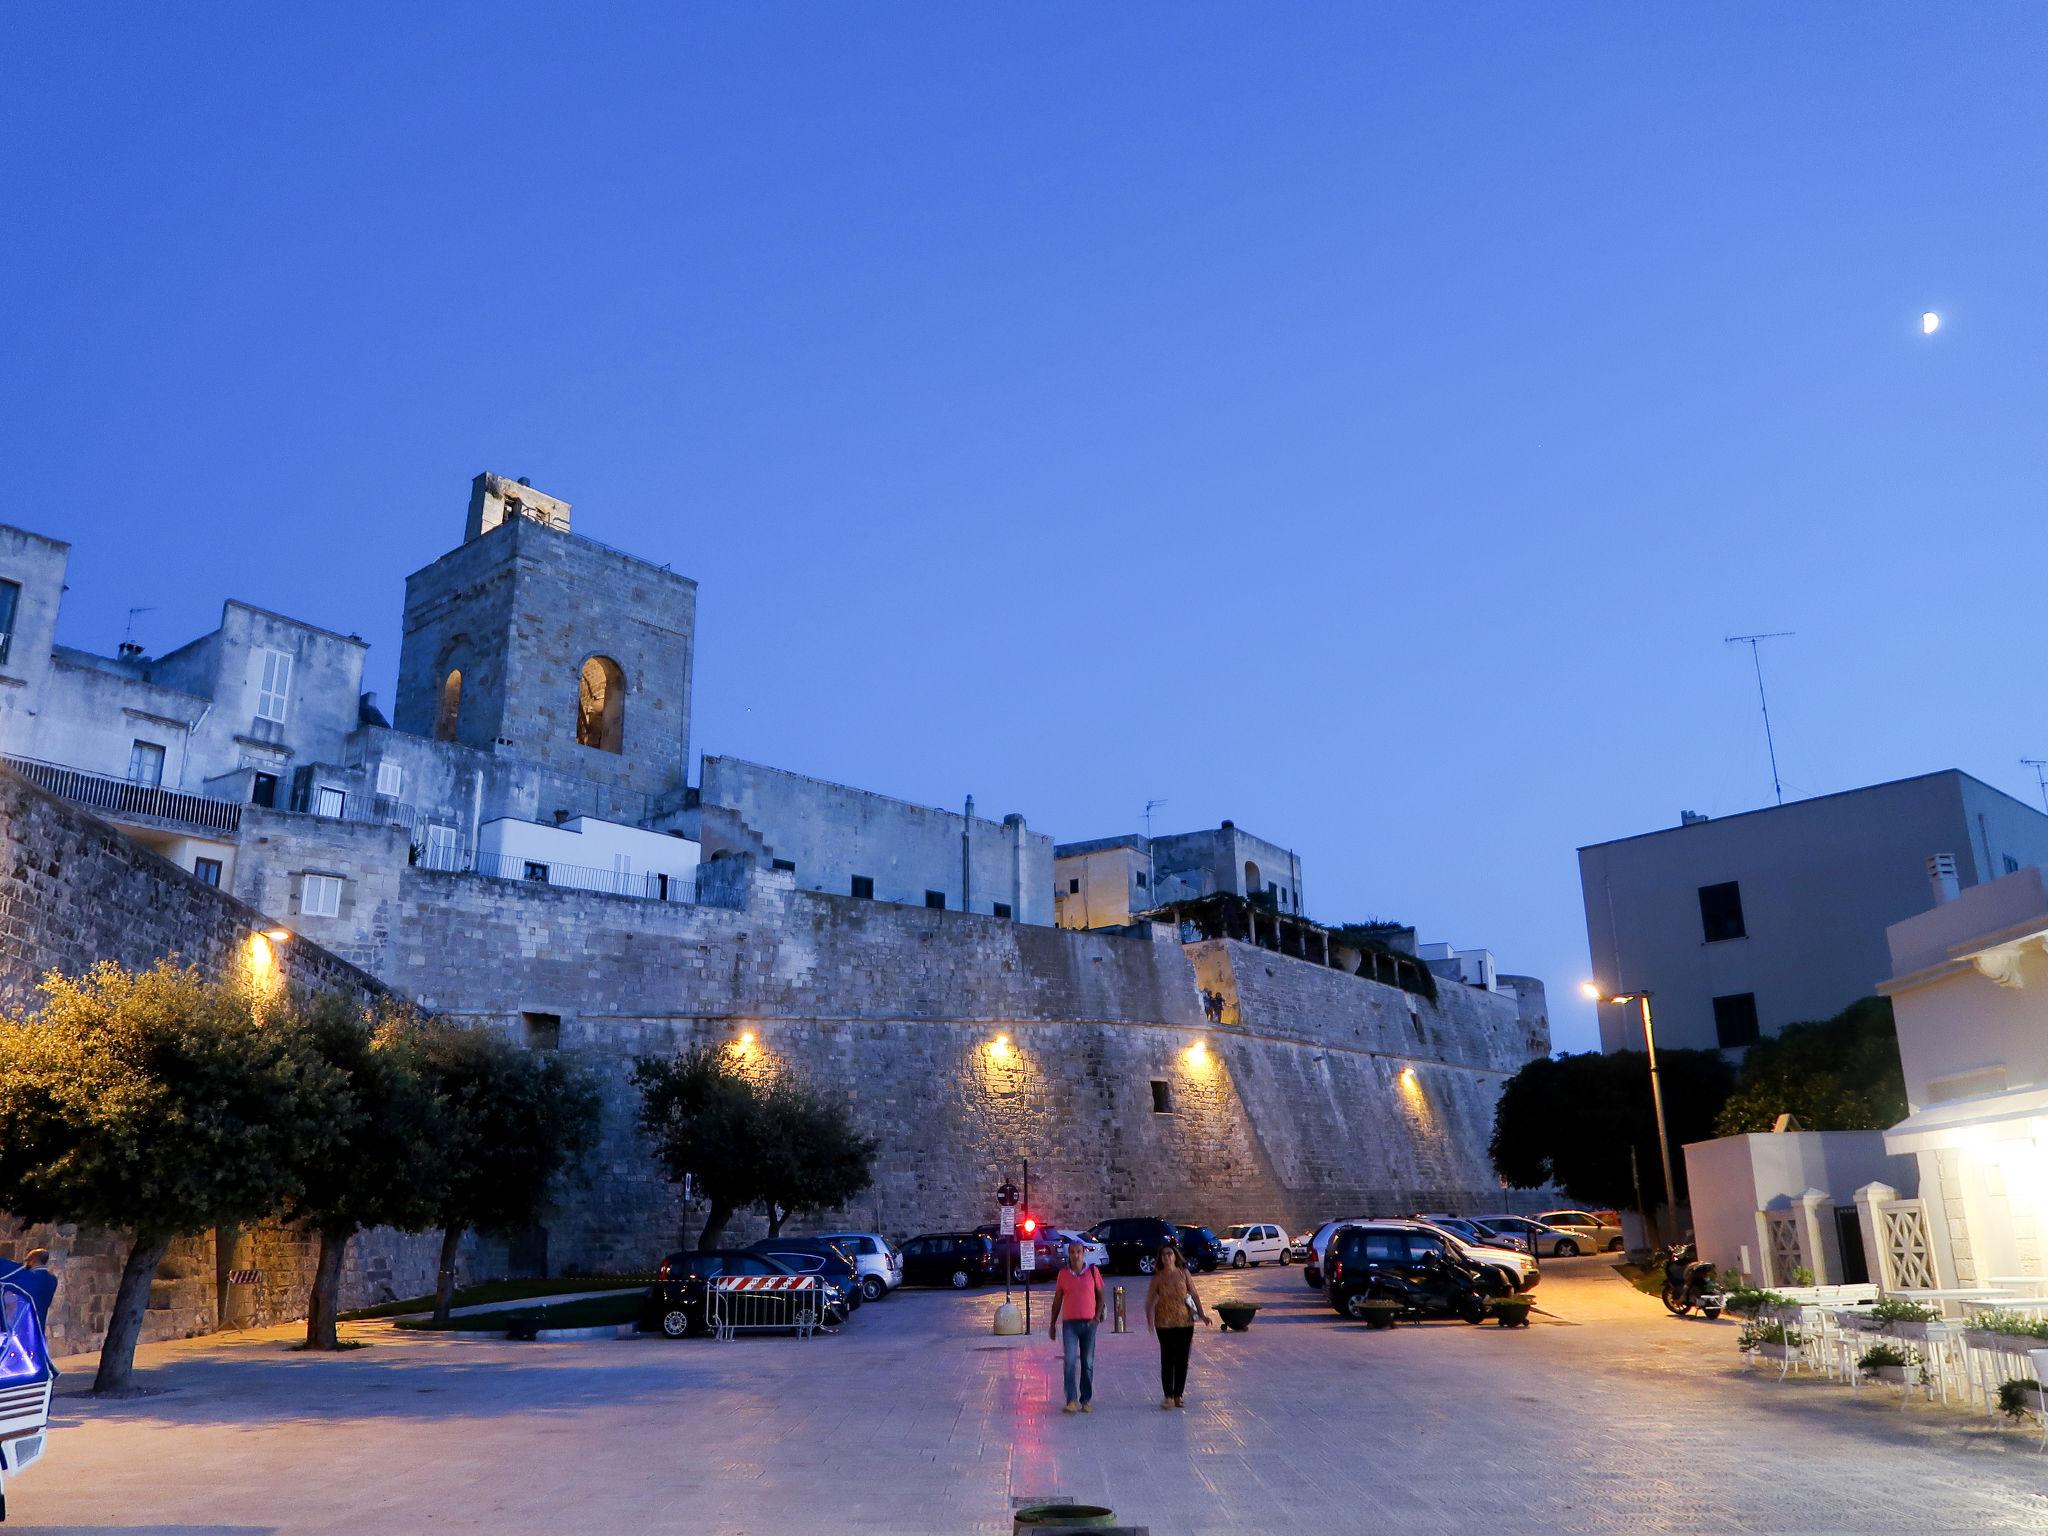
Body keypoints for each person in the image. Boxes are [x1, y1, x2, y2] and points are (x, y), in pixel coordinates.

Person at [1144, 1243, 1209, 1408]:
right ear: (1160, 1259)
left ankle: (1178, 1394)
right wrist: (1149, 1319)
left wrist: (1201, 1314)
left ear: (1175, 1256)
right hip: (1164, 1323)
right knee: (1167, 1358)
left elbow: (1194, 1293)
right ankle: (1168, 1396)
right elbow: (1150, 1300)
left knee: (1182, 1359)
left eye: (1170, 1254)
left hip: (1185, 1321)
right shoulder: (1157, 1277)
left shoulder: (1183, 1273)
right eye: (1164, 1255)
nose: (1167, 1257)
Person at [1046, 1239, 1104, 1413]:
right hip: (1070, 1324)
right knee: (1070, 1361)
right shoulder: (1063, 1274)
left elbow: (1100, 1295)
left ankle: (1085, 1399)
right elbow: (1058, 1299)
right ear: (1068, 1254)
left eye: (1078, 1252)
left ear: (1083, 1252)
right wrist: (1052, 1323)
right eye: (1072, 1252)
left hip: (1089, 1323)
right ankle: (1071, 1399)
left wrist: (1097, 1316)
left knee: (1087, 1362)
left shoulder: (1093, 1271)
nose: (1075, 1255)